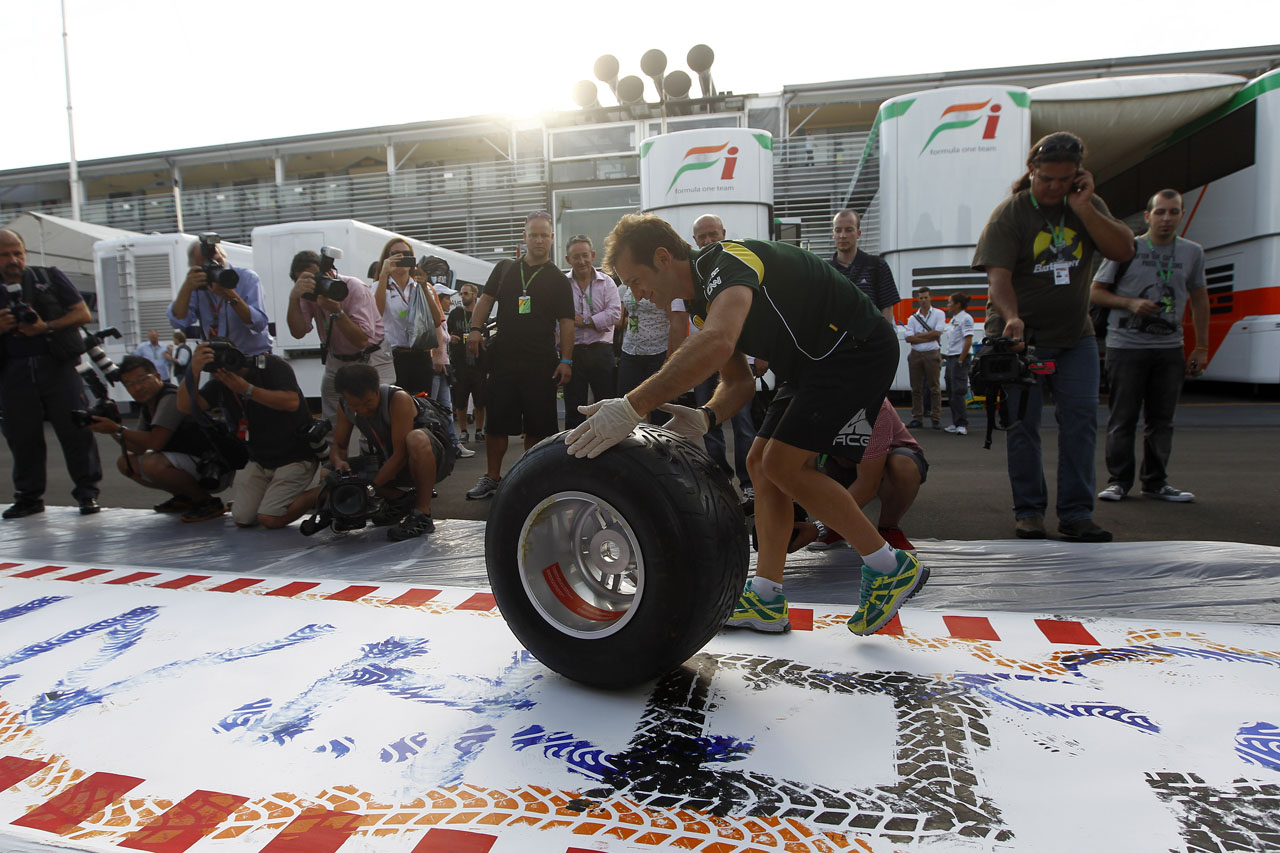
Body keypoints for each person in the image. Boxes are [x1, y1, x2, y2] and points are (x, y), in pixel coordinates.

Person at [568, 213, 928, 638]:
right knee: (760, 462)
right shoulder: (702, 305)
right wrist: (706, 417)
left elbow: (718, 342)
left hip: (857, 347)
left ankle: (888, 565)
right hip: (812, 366)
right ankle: (767, 596)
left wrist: (630, 407)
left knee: (782, 464)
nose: (637, 295)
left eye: (635, 279)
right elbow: (737, 381)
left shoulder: (725, 262)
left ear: (663, 257)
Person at [972, 131, 1135, 542]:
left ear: (1079, 177)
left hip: (1074, 336)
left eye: (1065, 180)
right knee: (1023, 426)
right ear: (1032, 171)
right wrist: (1012, 319)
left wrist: (1084, 207)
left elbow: (1124, 249)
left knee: (1081, 423)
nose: (1055, 187)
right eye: (1047, 179)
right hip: (1018, 338)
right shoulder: (1010, 214)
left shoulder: (1086, 205)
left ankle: (1077, 513)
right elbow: (999, 279)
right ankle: (1029, 512)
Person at [1092, 188, 1209, 504]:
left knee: (1162, 420)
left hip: (1170, 347)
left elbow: (1199, 297)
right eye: (1160, 212)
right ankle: (1118, 481)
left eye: (1173, 212)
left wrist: (1202, 346)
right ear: (1147, 216)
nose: (1166, 218)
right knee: (1123, 417)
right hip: (1126, 346)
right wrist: (1129, 303)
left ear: (1182, 215)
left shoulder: (1192, 252)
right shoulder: (1127, 248)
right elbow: (1095, 291)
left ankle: (1155, 482)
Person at [463, 211, 574, 500]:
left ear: (552, 239)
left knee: (538, 426)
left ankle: (532, 478)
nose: (538, 240)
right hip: (503, 361)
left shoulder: (559, 279)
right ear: (524, 237)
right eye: (533, 234)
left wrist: (567, 359)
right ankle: (492, 478)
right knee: (496, 424)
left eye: (544, 235)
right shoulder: (504, 268)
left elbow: (567, 323)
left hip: (541, 363)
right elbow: (485, 301)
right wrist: (474, 329)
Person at [0, 228, 102, 518]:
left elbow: (82, 314)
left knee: (76, 430)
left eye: (17, 252)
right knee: (22, 437)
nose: (13, 259)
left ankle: (87, 493)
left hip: (57, 365)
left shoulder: (48, 276)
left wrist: (47, 326)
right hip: (12, 371)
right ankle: (29, 497)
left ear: (25, 253)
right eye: (5, 254)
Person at [178, 342, 321, 529]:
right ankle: (274, 492)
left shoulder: (268, 365)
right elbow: (185, 406)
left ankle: (323, 490)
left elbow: (292, 402)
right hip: (260, 460)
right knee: (242, 518)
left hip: (295, 455)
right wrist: (193, 372)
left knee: (269, 518)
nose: (223, 367)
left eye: (227, 359)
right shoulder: (220, 384)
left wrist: (247, 390)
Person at [89, 354, 226, 522]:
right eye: (130, 384)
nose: (137, 388)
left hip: (213, 467)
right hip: (191, 462)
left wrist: (117, 428)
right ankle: (185, 497)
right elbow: (137, 448)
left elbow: (155, 442)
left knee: (152, 464)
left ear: (158, 376)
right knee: (126, 463)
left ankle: (207, 502)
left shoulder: (170, 397)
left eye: (141, 380)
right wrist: (110, 428)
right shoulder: (149, 404)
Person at [690, 213, 759, 499]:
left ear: (724, 233)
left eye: (712, 234)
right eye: (702, 237)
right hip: (703, 362)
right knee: (707, 424)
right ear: (694, 240)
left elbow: (754, 320)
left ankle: (749, 483)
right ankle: (721, 483)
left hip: (739, 358)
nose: (707, 241)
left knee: (744, 424)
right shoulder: (692, 274)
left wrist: (757, 358)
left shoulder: (736, 264)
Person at [331, 364, 442, 541]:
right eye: (355, 405)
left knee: (416, 439)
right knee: (329, 473)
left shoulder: (397, 398)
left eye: (368, 402)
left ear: (376, 389)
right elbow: (339, 446)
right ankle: (400, 501)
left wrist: (368, 489)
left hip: (423, 458)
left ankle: (422, 513)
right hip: (386, 459)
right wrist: (339, 464)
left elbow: (401, 454)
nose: (362, 410)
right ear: (345, 398)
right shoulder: (345, 406)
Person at [802, 399, 927, 554]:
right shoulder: (810, 398)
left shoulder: (874, 406)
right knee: (804, 463)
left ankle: (888, 528)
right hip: (843, 459)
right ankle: (839, 527)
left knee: (904, 467)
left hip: (883, 461)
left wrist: (819, 527)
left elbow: (868, 485)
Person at [285, 249, 392, 427]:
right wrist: (294, 298)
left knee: (376, 417)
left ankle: (375, 453)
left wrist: (337, 311)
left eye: (314, 278)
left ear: (328, 272)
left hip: (371, 356)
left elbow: (361, 340)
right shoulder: (308, 294)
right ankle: (334, 451)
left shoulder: (353, 287)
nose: (313, 284)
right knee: (331, 420)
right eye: (304, 281)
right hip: (336, 359)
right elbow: (297, 332)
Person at [168, 238, 272, 356]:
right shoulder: (198, 286)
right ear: (196, 267)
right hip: (219, 361)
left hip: (250, 358)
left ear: (224, 256)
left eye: (218, 261)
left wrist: (230, 295)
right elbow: (178, 321)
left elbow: (259, 324)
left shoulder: (247, 278)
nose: (216, 268)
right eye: (208, 265)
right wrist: (186, 287)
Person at [562, 235, 622, 431]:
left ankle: (608, 454)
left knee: (606, 407)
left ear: (593, 255)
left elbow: (615, 313)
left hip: (601, 351)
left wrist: (586, 321)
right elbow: (558, 319)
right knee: (574, 409)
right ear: (568, 259)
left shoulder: (607, 282)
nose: (581, 261)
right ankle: (573, 454)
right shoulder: (562, 284)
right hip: (574, 353)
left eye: (585, 256)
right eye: (576, 257)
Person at [373, 236, 444, 393]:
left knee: (421, 407)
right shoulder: (379, 286)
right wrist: (384, 275)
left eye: (406, 254)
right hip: (393, 357)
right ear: (387, 257)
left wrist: (424, 287)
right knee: (395, 405)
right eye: (396, 254)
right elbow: (375, 315)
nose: (402, 258)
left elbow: (437, 321)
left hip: (421, 356)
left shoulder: (420, 286)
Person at [829, 209, 898, 322]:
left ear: (858, 233)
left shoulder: (877, 266)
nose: (842, 235)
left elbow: (887, 308)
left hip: (871, 337)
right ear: (833, 234)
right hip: (837, 338)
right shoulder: (826, 270)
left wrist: (883, 338)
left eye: (849, 230)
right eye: (838, 230)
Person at [446, 282, 487, 442]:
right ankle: (463, 430)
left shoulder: (482, 314)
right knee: (460, 401)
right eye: (461, 294)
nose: (463, 296)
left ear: (474, 295)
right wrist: (451, 338)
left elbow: (490, 333)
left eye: (466, 294)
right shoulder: (456, 314)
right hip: (460, 364)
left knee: (480, 401)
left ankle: (479, 430)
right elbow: (447, 333)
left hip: (478, 365)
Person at [905, 287, 946, 429]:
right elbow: (908, 338)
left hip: (931, 353)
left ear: (930, 298)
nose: (923, 300)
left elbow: (937, 333)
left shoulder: (939, 314)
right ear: (918, 299)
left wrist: (917, 337)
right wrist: (927, 337)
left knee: (934, 387)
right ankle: (917, 417)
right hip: (915, 354)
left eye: (925, 297)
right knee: (915, 388)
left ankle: (936, 418)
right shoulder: (912, 317)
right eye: (921, 298)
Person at [941, 293, 974, 435]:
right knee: (951, 391)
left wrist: (961, 359)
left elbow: (968, 340)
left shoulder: (966, 319)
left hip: (959, 359)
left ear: (958, 304)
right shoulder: (954, 319)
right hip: (950, 358)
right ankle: (955, 422)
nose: (948, 305)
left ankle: (962, 424)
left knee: (958, 391)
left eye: (950, 302)